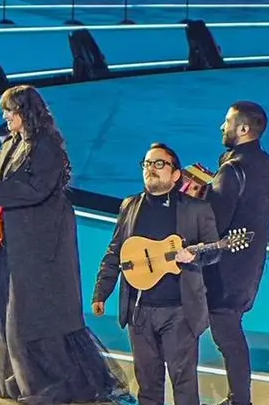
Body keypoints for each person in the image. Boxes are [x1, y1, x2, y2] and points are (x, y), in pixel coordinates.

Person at [0, 85, 131, 404]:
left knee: (35, 316)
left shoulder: (46, 147)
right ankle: (26, 380)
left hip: (42, 247)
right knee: (12, 315)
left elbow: (35, 189)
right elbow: (2, 181)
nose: (6, 116)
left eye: (11, 111)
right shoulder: (13, 144)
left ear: (26, 113)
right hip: (14, 244)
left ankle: (50, 386)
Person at [92, 143, 221, 405]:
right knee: (148, 385)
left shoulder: (196, 210)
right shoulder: (130, 206)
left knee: (183, 385)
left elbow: (214, 251)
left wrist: (194, 254)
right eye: (147, 164)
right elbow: (115, 252)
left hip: (179, 311)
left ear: (176, 175)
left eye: (159, 164)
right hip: (139, 310)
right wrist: (101, 292)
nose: (151, 168)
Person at [201, 101, 269, 405]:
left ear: (244, 129)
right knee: (229, 330)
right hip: (251, 267)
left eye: (227, 121)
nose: (222, 127)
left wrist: (202, 193)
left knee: (227, 336)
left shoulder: (233, 169)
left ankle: (241, 400)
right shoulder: (268, 165)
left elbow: (214, 222)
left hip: (224, 269)